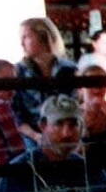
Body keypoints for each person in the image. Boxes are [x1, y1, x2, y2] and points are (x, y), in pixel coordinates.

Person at [12, 18, 79, 146]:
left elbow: (77, 105)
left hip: (67, 134)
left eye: (26, 37)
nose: (21, 43)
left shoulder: (69, 69)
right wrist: (36, 136)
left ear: (44, 36)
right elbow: (16, 114)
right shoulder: (18, 72)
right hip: (32, 137)